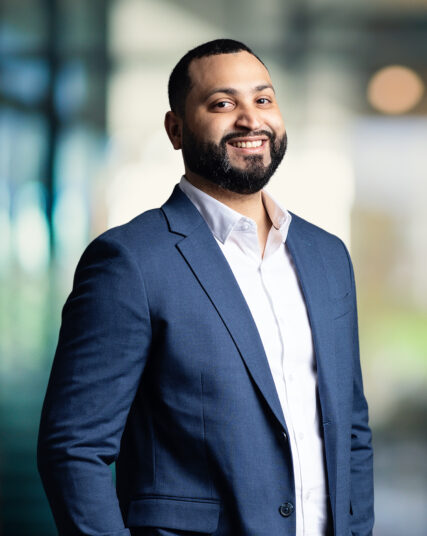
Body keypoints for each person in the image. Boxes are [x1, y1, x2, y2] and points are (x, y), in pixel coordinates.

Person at [37, 39, 374, 536]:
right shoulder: (130, 262)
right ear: (176, 129)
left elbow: (352, 431)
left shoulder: (327, 256)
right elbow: (74, 449)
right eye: (222, 103)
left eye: (263, 100)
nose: (250, 119)